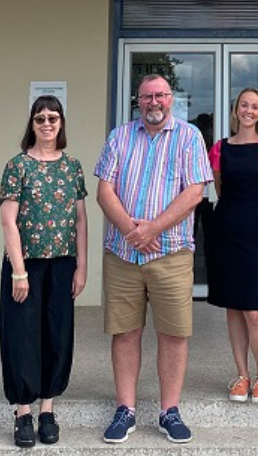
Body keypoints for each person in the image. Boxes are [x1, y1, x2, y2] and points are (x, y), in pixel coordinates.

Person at [95, 74, 213, 445]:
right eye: (147, 96)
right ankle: (125, 409)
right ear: (138, 101)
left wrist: (153, 230)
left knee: (173, 334)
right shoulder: (119, 136)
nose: (154, 102)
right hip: (123, 253)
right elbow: (104, 190)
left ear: (171, 100)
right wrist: (134, 230)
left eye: (160, 95)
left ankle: (169, 410)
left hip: (171, 253)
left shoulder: (190, 137)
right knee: (125, 332)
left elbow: (195, 192)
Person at [0, 95, 89, 448]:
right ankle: (23, 411)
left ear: (62, 122)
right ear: (32, 124)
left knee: (57, 332)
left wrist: (81, 267)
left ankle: (48, 408)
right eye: (40, 118)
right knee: (22, 334)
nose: (47, 124)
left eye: (53, 117)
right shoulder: (17, 165)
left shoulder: (72, 167)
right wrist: (19, 271)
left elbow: (80, 219)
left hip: (62, 264)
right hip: (27, 265)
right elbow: (8, 220)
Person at [206, 87, 258, 404]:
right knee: (233, 306)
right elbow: (219, 187)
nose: (249, 111)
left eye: (255, 106)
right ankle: (241, 375)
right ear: (236, 110)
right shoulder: (220, 148)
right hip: (226, 229)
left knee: (253, 309)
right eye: (244, 105)